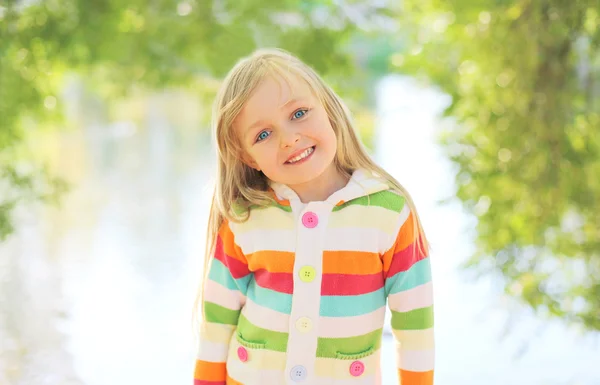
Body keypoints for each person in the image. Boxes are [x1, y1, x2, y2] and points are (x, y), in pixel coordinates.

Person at [193, 48, 434, 385]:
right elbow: (216, 325)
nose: (289, 138)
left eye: (300, 113)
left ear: (328, 108)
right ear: (247, 158)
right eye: (263, 135)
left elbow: (416, 329)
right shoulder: (244, 218)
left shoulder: (389, 213)